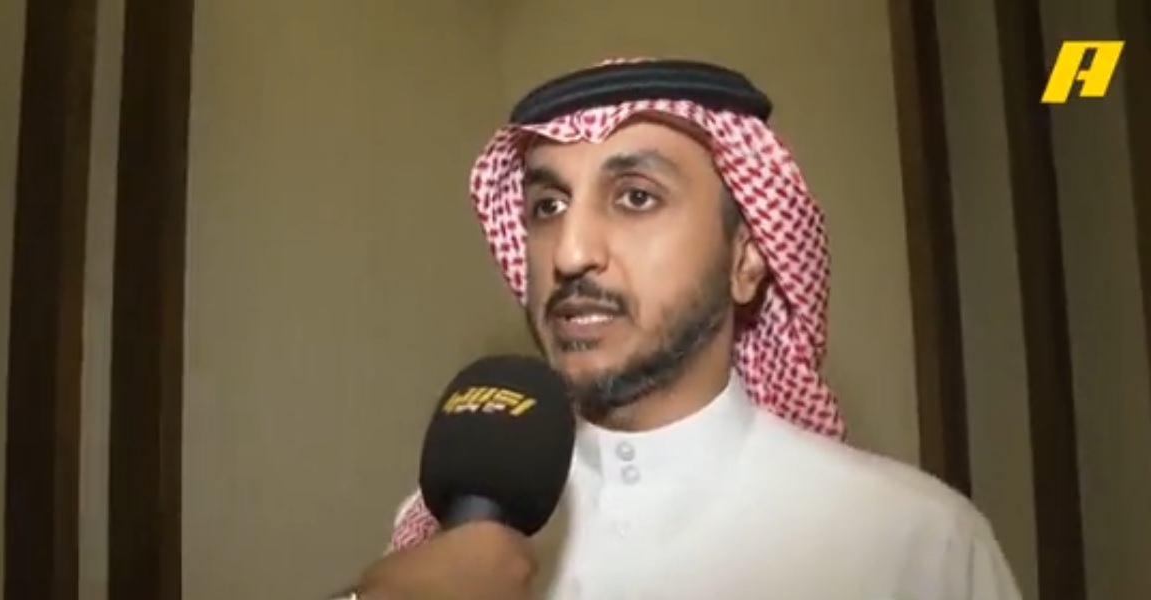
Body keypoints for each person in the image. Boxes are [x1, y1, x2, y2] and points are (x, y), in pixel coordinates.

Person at [338, 58, 1022, 600]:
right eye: (547, 205)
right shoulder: (451, 537)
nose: (570, 253)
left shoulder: (917, 545)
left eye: (636, 197)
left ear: (747, 260)